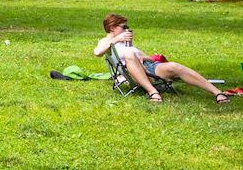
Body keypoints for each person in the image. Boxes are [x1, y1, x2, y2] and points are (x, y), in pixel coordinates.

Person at [93, 13, 231, 103]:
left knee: (175, 66)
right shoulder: (107, 42)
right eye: (124, 27)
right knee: (129, 54)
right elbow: (97, 52)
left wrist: (142, 58)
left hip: (149, 68)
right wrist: (117, 39)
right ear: (112, 28)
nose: (127, 29)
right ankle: (153, 92)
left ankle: (217, 92)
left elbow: (149, 58)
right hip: (134, 73)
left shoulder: (126, 42)